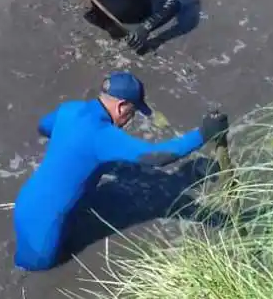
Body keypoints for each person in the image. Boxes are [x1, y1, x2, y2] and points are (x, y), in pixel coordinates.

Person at [12, 71, 230, 272]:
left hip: (26, 201)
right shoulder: (103, 136)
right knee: (38, 273)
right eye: (133, 112)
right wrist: (202, 134)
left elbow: (43, 126)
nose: (131, 119)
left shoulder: (70, 109)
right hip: (43, 228)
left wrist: (71, 146)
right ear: (122, 106)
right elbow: (157, 156)